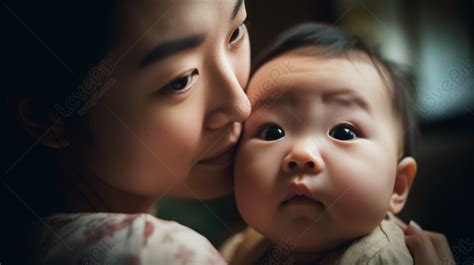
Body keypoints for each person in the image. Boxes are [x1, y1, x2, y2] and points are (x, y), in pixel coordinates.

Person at [0, 0, 453, 264]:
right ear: (50, 117)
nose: (240, 103)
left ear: (400, 183)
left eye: (236, 32)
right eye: (180, 80)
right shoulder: (159, 254)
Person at [223, 23, 455, 265]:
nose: (301, 154)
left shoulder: (380, 258)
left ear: (397, 185)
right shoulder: (239, 250)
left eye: (344, 133)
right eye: (272, 132)